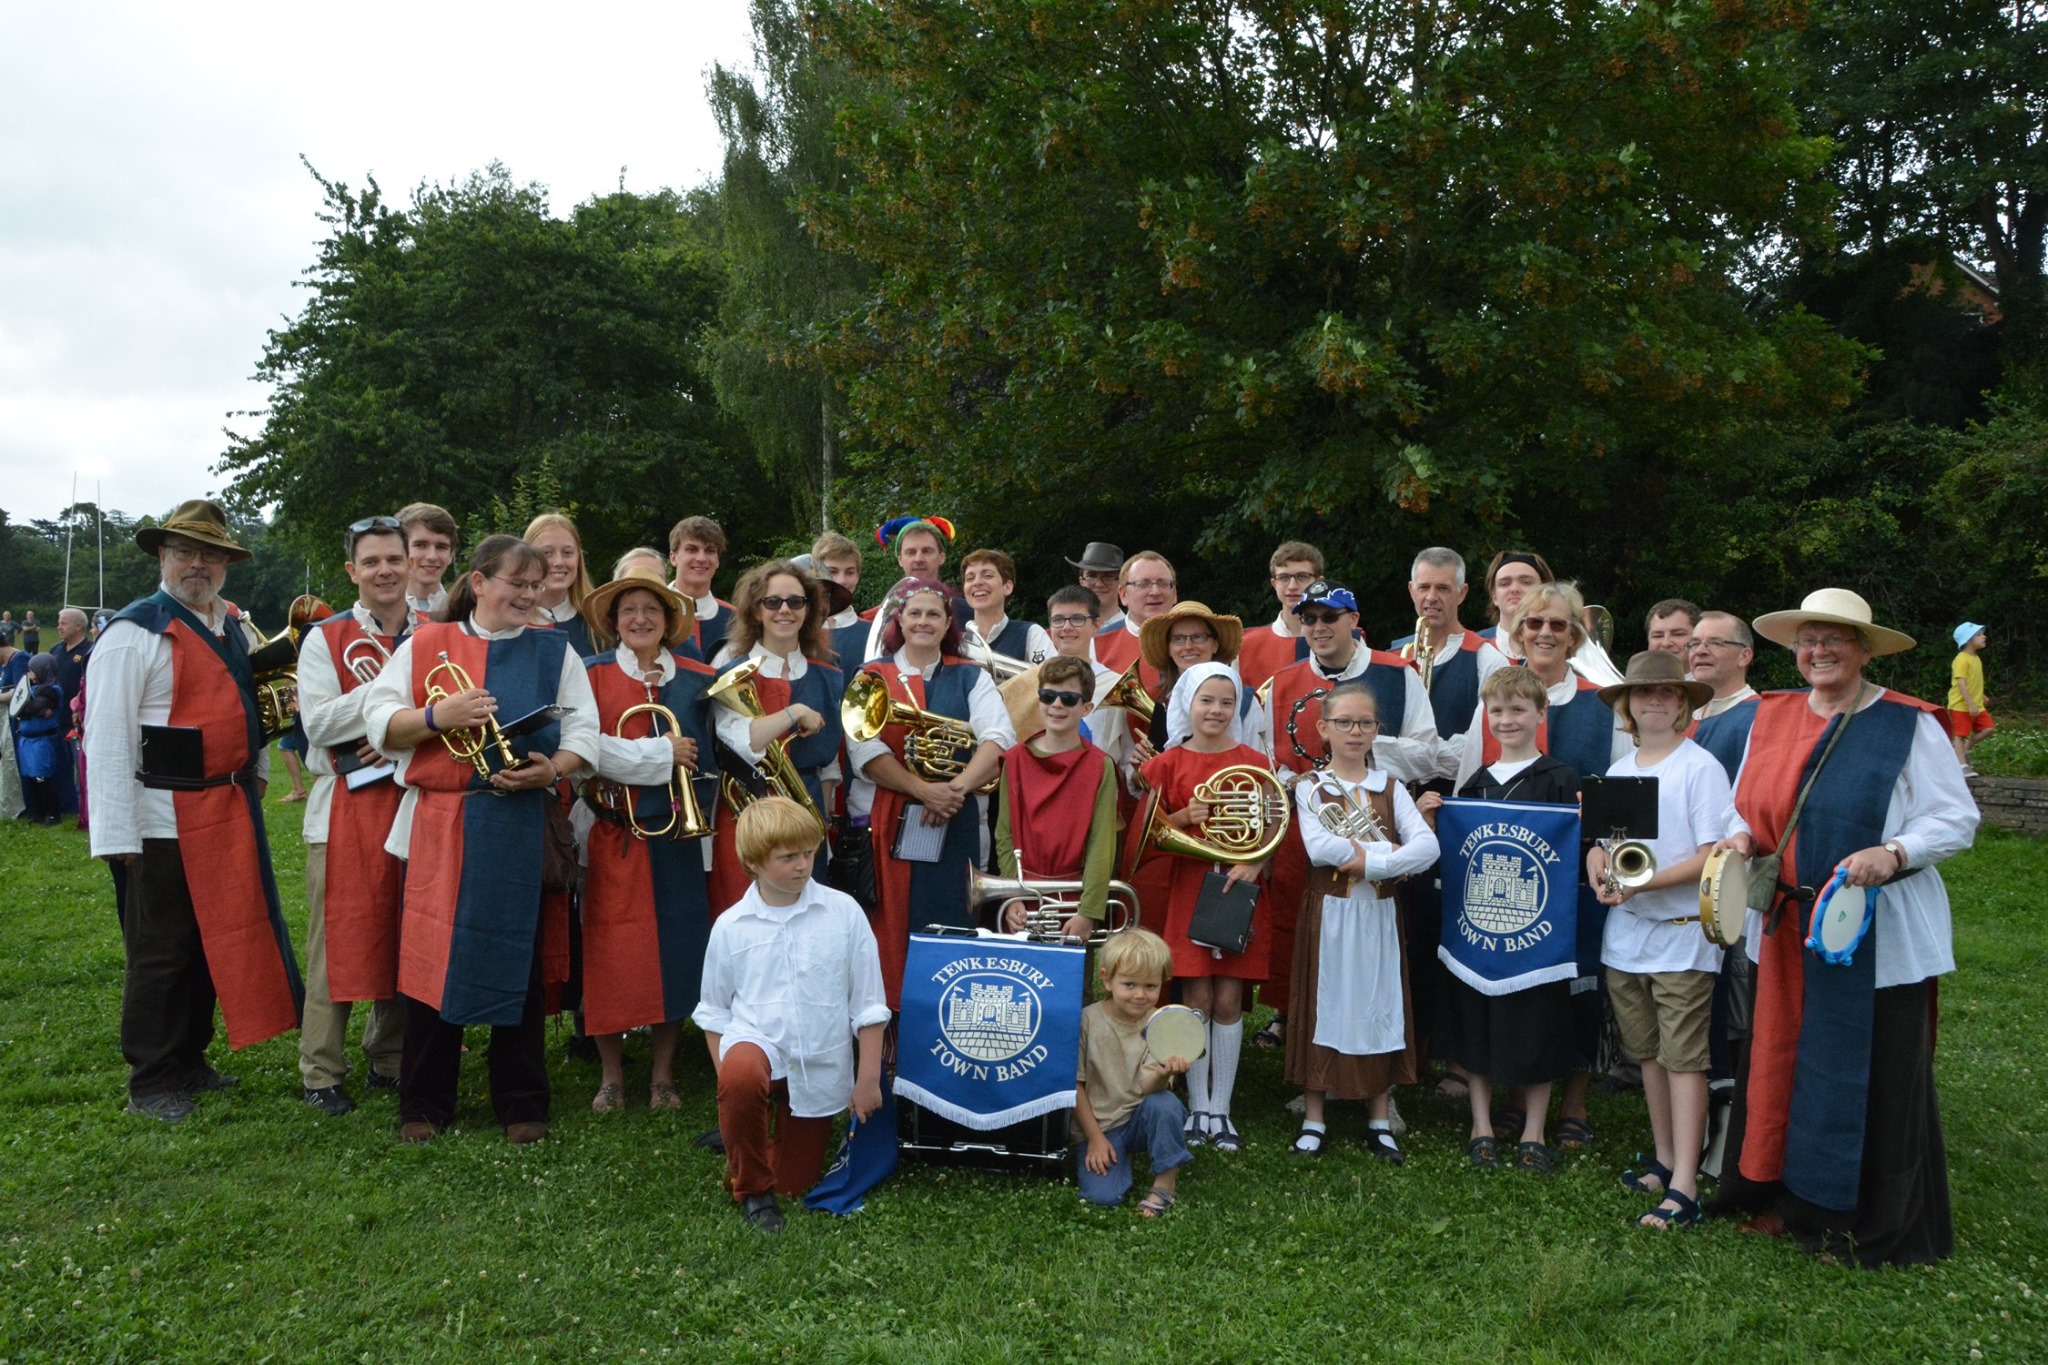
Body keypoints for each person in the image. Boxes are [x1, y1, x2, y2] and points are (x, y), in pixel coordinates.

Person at [1710, 588, 1975, 1267]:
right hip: (1785, 929)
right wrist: (1739, 837)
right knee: (1784, 1064)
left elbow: (1955, 818)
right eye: (1808, 640)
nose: (1819, 650)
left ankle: (1877, 1225)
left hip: (1876, 936)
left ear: (1864, 650)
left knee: (1873, 1077)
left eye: (1835, 639)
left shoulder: (1908, 723)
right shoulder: (1771, 716)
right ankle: (1789, 1202)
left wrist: (1896, 852)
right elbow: (1740, 806)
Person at [360, 534, 601, 1144]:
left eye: (536, 585)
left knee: (519, 959)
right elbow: (379, 719)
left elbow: (586, 730)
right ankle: (424, 1102)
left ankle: (521, 1100)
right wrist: (437, 717)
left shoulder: (555, 650)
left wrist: (554, 769)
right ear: (479, 582)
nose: (529, 594)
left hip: (519, 823)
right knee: (432, 959)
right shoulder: (426, 642)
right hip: (444, 823)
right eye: (517, 583)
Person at [85, 499, 304, 1122]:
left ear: (226, 564)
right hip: (161, 818)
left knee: (214, 940)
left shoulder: (231, 627)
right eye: (185, 551)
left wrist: (255, 774)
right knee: (161, 949)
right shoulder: (134, 633)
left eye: (211, 554)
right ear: (162, 556)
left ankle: (189, 1059)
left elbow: (251, 706)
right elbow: (106, 739)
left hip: (227, 808)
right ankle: (151, 1077)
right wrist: (118, 836)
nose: (198, 564)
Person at [1452, 582, 1630, 1149]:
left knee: (1576, 988)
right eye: (1534, 623)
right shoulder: (1495, 702)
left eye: (1558, 624)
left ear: (1576, 635)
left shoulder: (1605, 703)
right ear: (1518, 630)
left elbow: (1621, 794)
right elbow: (1466, 790)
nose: (1545, 633)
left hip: (1580, 876)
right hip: (1511, 878)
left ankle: (1573, 1102)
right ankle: (1512, 1096)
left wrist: (1607, 857)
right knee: (1513, 982)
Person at [1252, 580, 1437, 1048]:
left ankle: (1376, 1042)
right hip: (1304, 828)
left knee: (1375, 936)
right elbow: (1269, 762)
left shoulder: (1399, 674)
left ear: (1353, 620)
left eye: (1330, 617)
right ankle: (1299, 1028)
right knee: (1300, 926)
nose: (1318, 627)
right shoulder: (1281, 682)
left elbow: (1427, 754)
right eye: (1309, 618)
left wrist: (1357, 744)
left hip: (1377, 819)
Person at [694, 797, 890, 1233]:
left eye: (808, 853)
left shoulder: (844, 913)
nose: (803, 866)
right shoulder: (731, 926)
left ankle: (743, 1137)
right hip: (755, 1046)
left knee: (793, 1183)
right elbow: (713, 1013)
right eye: (788, 858)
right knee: (742, 1078)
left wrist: (868, 1080)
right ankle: (752, 1188)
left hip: (818, 1065)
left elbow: (869, 1004)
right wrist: (732, 1092)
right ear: (752, 863)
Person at [1585, 652, 1731, 1227]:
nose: (1654, 701)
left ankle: (1686, 1185)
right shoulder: (1619, 770)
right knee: (1646, 1054)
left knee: (1683, 1059)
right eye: (1644, 693)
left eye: (1668, 693)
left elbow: (1712, 855)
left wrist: (1642, 882)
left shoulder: (1700, 768)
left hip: (1681, 935)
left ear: (1683, 705)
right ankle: (1666, 1159)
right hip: (1627, 936)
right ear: (1627, 705)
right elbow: (1602, 844)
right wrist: (1600, 869)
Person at [576, 564, 718, 1113]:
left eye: (651, 610)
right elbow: (583, 750)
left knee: (679, 949)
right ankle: (611, 1075)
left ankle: (663, 1074)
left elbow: (713, 751)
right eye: (629, 610)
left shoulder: (698, 677)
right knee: (608, 952)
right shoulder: (589, 674)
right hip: (615, 834)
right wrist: (658, 757)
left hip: (678, 837)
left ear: (668, 620)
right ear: (614, 621)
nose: (640, 619)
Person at [1288, 684, 1440, 1162]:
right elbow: (1320, 848)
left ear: (1377, 730)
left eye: (1366, 723)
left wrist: (1370, 860)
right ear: (1323, 729)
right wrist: (1390, 855)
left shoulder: (1390, 786)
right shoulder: (1311, 787)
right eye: (1344, 722)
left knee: (1379, 1004)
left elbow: (1429, 847)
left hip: (1377, 914)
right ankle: (1314, 1118)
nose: (1355, 731)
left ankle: (1379, 1119)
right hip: (1330, 913)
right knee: (1324, 1006)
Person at [294, 515, 414, 1116]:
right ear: (352, 571)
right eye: (371, 561)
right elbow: (318, 724)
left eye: (394, 559)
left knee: (405, 930)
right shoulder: (325, 637)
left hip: (413, 801)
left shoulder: (436, 631)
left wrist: (391, 734)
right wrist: (395, 694)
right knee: (334, 940)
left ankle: (389, 1056)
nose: (384, 570)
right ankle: (320, 1069)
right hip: (344, 804)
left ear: (409, 564)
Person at [849, 578, 1014, 1005]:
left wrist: (952, 790)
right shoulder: (871, 675)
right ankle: (891, 1024)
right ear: (900, 622)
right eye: (915, 614)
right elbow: (864, 751)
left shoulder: (971, 675)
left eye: (933, 615)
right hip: (892, 817)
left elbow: (998, 739)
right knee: (891, 926)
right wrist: (924, 790)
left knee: (954, 919)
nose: (924, 622)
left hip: (958, 816)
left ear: (947, 624)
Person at [1136, 662, 1274, 1152]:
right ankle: (1198, 1107)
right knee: (1196, 998)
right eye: (1206, 701)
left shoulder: (1255, 761)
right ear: (1187, 705)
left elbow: (1274, 824)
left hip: (1239, 889)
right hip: (1191, 888)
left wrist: (1256, 863)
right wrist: (1181, 816)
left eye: (1226, 702)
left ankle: (1222, 1109)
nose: (1216, 710)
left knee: (1229, 1000)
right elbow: (1145, 834)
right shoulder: (1167, 763)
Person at [706, 560, 847, 917]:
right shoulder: (731, 673)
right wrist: (793, 711)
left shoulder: (829, 675)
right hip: (748, 811)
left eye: (796, 602)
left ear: (808, 609)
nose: (785, 610)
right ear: (756, 610)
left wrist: (822, 817)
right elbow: (741, 741)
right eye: (773, 602)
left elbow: (829, 760)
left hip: (807, 809)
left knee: (810, 917)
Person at [993, 655, 1121, 943]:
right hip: (1021, 896)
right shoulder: (1014, 759)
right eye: (1048, 696)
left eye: (1069, 698)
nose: (1057, 705)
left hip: (1076, 899)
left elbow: (1102, 843)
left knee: (1074, 974)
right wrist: (1011, 895)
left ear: (1087, 708)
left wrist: (1088, 911)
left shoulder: (1101, 765)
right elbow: (1004, 834)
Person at [1075, 928, 1194, 1215]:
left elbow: (1147, 1086)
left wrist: (1163, 1073)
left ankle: (1165, 1182)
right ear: (1106, 979)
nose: (1140, 995)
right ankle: (1113, 1154)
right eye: (1129, 984)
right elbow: (1074, 1085)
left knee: (1165, 1104)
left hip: (1140, 1117)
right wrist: (1094, 1138)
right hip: (1101, 1124)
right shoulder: (1086, 1020)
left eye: (1150, 986)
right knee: (1104, 1197)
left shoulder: (1161, 1024)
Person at [1137, 600, 1244, 752]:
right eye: (1178, 639)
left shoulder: (1246, 700)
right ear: (1169, 648)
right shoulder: (1152, 699)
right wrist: (1142, 764)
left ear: (1215, 645)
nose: (1188, 646)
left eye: (1198, 637)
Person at [1235, 541, 1322, 694]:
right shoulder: (1245, 646)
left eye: (1302, 576)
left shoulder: (1343, 640)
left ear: (1318, 582)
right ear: (1274, 584)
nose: (1292, 586)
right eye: (1284, 577)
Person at [1688, 611, 1760, 776]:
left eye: (1715, 643)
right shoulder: (1682, 718)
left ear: (1744, 656)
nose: (1700, 651)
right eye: (1694, 643)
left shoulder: (1759, 716)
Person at [1090, 551, 1179, 678]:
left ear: (1174, 593)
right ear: (1123, 594)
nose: (1155, 592)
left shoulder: (1197, 642)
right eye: (1143, 584)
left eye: (1163, 583)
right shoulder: (1096, 646)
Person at [960, 548, 1053, 666]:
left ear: (1007, 587)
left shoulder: (1030, 634)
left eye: (988, 575)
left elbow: (1053, 676)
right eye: (970, 578)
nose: (977, 582)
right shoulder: (959, 643)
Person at [525, 511, 597, 659]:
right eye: (546, 553)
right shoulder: (509, 625)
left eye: (567, 552)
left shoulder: (598, 623)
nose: (558, 562)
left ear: (578, 558)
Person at [667, 516, 736, 659]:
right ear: (673, 558)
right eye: (692, 550)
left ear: (717, 560)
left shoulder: (735, 620)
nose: (701, 558)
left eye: (710, 551)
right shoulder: (653, 612)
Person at [14, 654, 66, 824]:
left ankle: (53, 814)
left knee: (41, 778)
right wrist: (39, 711)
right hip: (27, 740)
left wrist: (33, 708)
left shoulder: (52, 690)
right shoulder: (34, 689)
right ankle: (37, 814)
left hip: (41, 741)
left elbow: (29, 707)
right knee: (30, 779)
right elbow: (19, 707)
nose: (29, 674)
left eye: (32, 670)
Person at [806, 532, 868, 666]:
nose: (842, 580)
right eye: (832, 572)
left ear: (858, 576)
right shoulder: (798, 631)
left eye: (850, 572)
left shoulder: (872, 633)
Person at [397, 502, 458, 622]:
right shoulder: (374, 615)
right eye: (420, 545)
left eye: (441, 547)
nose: (432, 556)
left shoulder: (465, 616)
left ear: (451, 555)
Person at [1479, 551, 1553, 647]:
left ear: (1545, 591)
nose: (1514, 589)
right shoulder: (1474, 648)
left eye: (1526, 582)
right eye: (1505, 584)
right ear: (1494, 596)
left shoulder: (1562, 646)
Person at [1947, 622, 1992, 773]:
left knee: (1988, 729)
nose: (1984, 637)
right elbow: (1961, 684)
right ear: (1968, 640)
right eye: (1979, 635)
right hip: (1961, 705)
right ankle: (1962, 766)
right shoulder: (1961, 659)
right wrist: (1971, 703)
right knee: (1960, 735)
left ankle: (1964, 749)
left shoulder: (1976, 658)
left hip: (1976, 704)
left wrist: (1980, 695)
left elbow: (1973, 682)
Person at [1068, 542, 1124, 633]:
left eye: (1108, 577)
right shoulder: (1067, 632)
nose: (1099, 584)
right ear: (1081, 581)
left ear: (1121, 583)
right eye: (1092, 576)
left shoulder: (1136, 631)